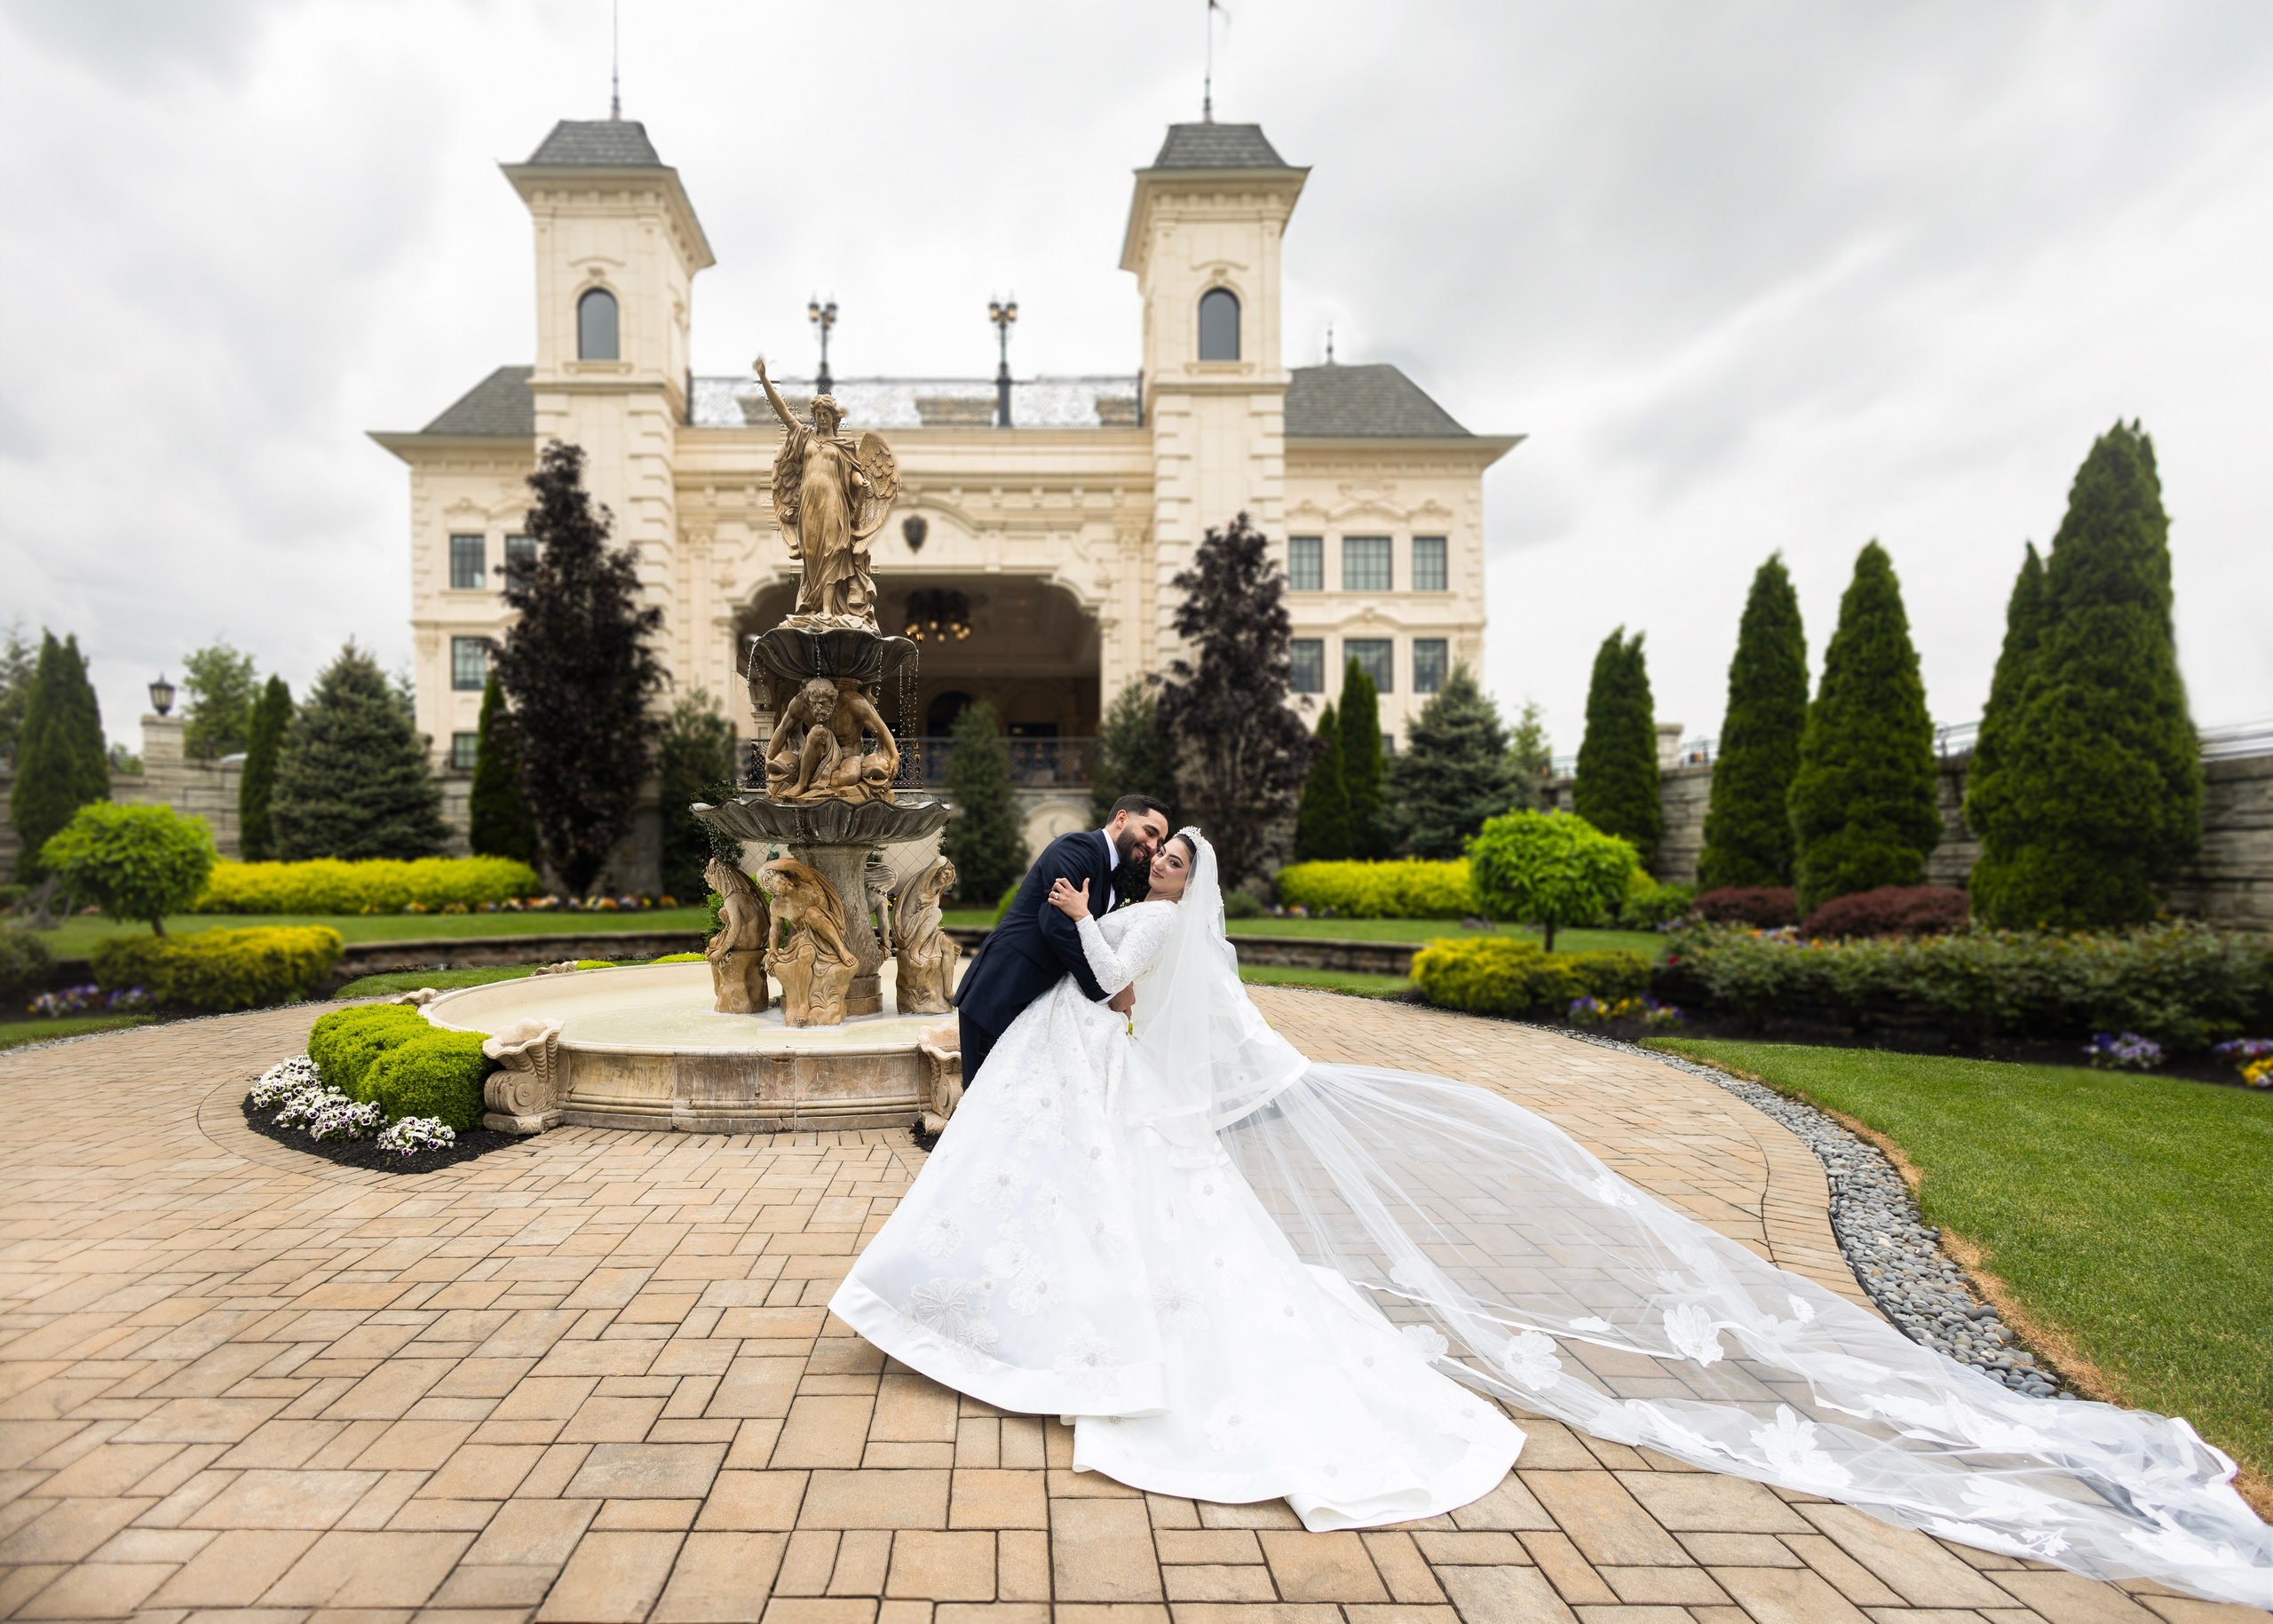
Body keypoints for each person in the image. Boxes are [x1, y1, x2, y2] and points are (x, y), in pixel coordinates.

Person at [831, 830, 2271, 1600]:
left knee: (1213, 1282)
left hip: (1147, 1119)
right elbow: (1151, 999)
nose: (1151, 857)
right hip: (1160, 1118)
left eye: (1164, 853)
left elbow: (1110, 971)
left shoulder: (1139, 920)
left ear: (1178, 878)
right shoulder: (1178, 927)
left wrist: (1082, 912)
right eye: (1151, 851)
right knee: (1218, 1264)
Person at [948, 794, 1169, 1083]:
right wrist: (1107, 992)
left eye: (1159, 842)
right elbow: (1056, 925)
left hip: (1034, 1001)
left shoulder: (1116, 873)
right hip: (1001, 991)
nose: (1152, 848)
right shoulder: (1077, 849)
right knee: (982, 1101)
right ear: (1122, 818)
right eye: (1150, 833)